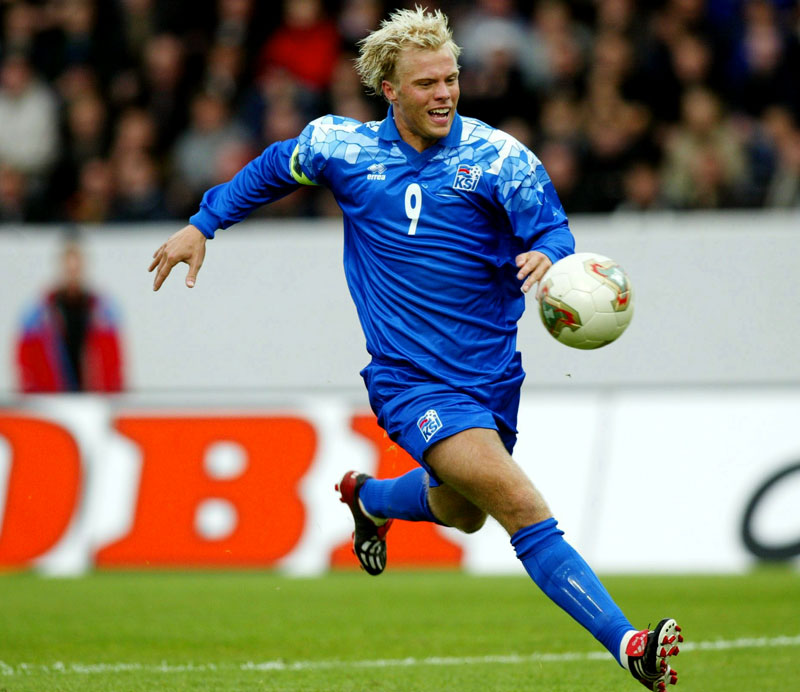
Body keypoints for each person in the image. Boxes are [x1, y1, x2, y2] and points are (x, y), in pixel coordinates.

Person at [149, 7, 682, 690]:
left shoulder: (500, 159)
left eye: (451, 79)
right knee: (520, 504)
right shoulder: (343, 149)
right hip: (411, 383)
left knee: (463, 512)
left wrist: (548, 257)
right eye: (427, 83)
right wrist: (204, 223)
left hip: (491, 377)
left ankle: (369, 499)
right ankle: (630, 645)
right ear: (390, 89)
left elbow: (552, 232)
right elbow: (275, 166)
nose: (444, 94)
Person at [17, 239, 124, 393]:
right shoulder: (40, 314)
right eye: (69, 270)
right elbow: (26, 362)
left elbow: (114, 363)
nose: (73, 275)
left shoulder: (102, 313)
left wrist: (113, 395)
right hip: (52, 397)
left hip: (93, 397)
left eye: (76, 269)